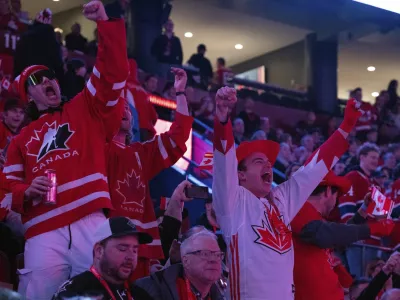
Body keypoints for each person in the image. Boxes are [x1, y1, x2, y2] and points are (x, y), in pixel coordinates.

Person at [3, 2, 129, 299]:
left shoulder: (85, 107)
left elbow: (113, 75)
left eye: (50, 75)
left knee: (101, 294)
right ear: (27, 94)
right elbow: (6, 189)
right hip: (43, 230)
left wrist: (105, 24)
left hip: (91, 219)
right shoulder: (20, 140)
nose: (48, 80)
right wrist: (26, 191)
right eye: (38, 79)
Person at [212, 86, 363, 299]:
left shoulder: (280, 201)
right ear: (240, 175)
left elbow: (315, 168)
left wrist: (346, 127)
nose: (268, 166)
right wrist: (222, 118)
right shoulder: (233, 201)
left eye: (269, 162)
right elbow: (223, 160)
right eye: (258, 161)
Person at [107, 68, 194, 279]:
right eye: (118, 108)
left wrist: (180, 94)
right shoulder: (95, 151)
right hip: (106, 243)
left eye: (127, 109)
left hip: (142, 248)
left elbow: (178, 135)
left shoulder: (140, 153)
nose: (124, 111)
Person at [291, 172, 395, 300]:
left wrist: (363, 210)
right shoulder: (299, 211)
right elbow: (327, 234)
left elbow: (337, 238)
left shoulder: (314, 218)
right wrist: (375, 228)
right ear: (328, 191)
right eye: (337, 196)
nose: (336, 202)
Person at [52, 216, 153, 300]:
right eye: (123, 249)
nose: (131, 257)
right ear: (99, 251)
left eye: (135, 250)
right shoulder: (74, 292)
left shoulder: (140, 294)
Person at [134, 229, 224, 300]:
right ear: (185, 261)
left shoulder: (220, 294)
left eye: (218, 255)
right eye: (205, 254)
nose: (213, 260)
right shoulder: (151, 289)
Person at [338, 142, 381, 277]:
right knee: (358, 281)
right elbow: (346, 208)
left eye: (377, 158)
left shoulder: (375, 183)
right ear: (362, 157)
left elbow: (383, 214)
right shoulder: (352, 177)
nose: (375, 161)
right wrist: (352, 233)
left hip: (374, 241)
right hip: (359, 239)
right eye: (372, 157)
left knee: (368, 282)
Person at [13, 8, 64, 83]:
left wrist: (17, 77)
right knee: (40, 93)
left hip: (27, 76)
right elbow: (57, 62)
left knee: (30, 92)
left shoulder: (25, 36)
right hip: (45, 78)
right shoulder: (51, 39)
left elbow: (18, 59)